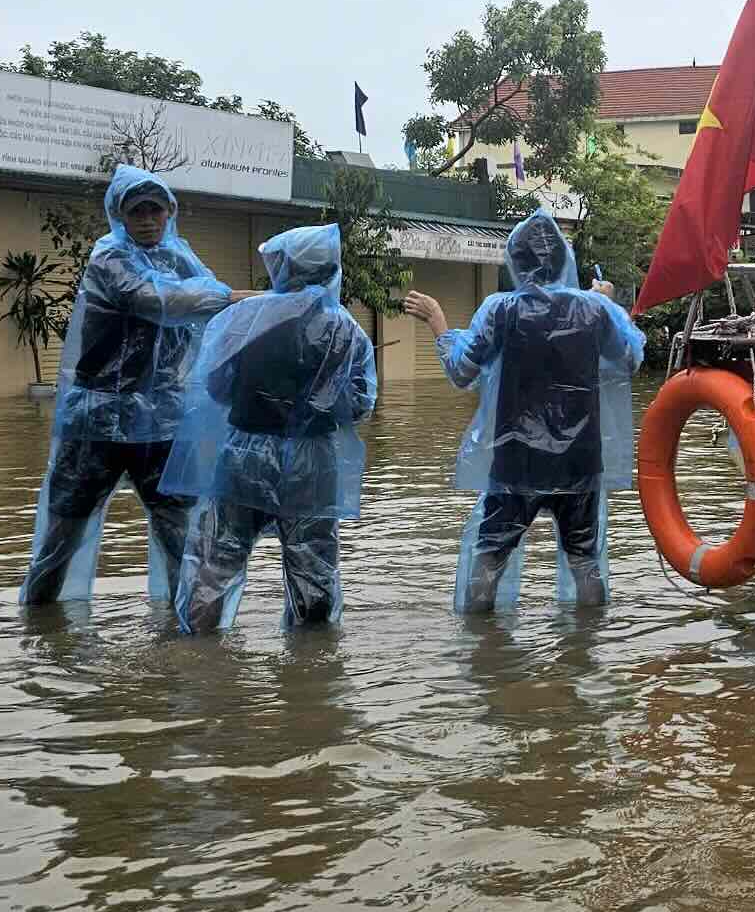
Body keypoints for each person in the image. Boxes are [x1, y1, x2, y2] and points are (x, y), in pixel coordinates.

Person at [18, 166, 251, 607]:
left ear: (169, 213)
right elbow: (152, 299)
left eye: (155, 210)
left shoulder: (181, 257)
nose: (147, 219)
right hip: (98, 418)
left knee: (176, 527)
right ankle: (40, 622)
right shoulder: (109, 256)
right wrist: (231, 297)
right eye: (136, 211)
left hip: (159, 420)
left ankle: (187, 632)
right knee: (66, 525)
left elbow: (211, 312)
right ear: (119, 215)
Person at [403, 208, 644, 611]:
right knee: (585, 562)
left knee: (489, 561)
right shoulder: (593, 311)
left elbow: (462, 372)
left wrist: (438, 321)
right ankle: (585, 653)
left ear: (514, 262)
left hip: (516, 461)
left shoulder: (500, 311)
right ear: (564, 261)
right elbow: (630, 360)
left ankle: (484, 653)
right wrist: (610, 307)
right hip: (579, 463)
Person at [161, 224, 378, 633]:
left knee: (217, 562)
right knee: (312, 570)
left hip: (244, 454)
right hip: (311, 463)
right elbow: (361, 405)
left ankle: (198, 668)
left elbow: (215, 386)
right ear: (330, 268)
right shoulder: (344, 329)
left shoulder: (242, 319)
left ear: (281, 267)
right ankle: (310, 679)